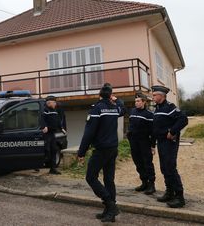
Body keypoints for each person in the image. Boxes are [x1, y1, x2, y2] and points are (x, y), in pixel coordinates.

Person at [77, 83, 126, 222]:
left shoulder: (96, 109)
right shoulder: (114, 108)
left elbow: (89, 133)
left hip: (102, 150)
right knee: (108, 179)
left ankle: (110, 205)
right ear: (110, 95)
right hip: (113, 149)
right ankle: (110, 212)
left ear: (99, 95)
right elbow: (123, 109)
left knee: (90, 177)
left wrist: (81, 152)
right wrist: (117, 100)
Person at [151, 85, 188, 208]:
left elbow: (183, 119)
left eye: (155, 95)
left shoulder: (170, 107)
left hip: (169, 143)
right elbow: (155, 128)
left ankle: (179, 197)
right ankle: (169, 192)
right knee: (164, 168)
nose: (153, 96)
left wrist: (172, 131)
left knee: (170, 168)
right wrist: (153, 144)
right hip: (161, 143)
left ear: (162, 96)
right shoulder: (157, 109)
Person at [127, 92, 156, 195]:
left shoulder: (149, 115)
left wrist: (153, 145)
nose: (136, 103)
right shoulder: (132, 111)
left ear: (144, 102)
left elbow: (153, 132)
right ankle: (144, 182)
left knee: (147, 163)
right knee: (138, 163)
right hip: (134, 142)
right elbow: (130, 126)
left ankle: (151, 184)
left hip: (144, 142)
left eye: (138, 101)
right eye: (135, 101)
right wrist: (129, 136)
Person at [41, 95, 66, 175]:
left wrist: (61, 128)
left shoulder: (54, 110)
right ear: (49, 103)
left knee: (54, 150)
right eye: (54, 102)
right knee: (47, 150)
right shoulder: (45, 110)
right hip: (47, 134)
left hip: (52, 133)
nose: (55, 104)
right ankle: (40, 164)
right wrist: (44, 126)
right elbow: (42, 119)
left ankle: (53, 169)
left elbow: (58, 120)